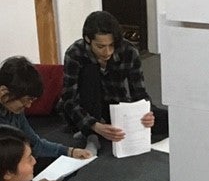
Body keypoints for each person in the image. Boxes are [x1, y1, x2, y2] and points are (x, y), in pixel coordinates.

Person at [59, 10, 167, 154]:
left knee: (166, 120)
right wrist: (94, 125)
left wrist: (146, 112)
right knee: (90, 71)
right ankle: (90, 135)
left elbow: (139, 92)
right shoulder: (75, 53)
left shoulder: (129, 51)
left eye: (111, 45)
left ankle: (98, 129)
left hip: (116, 104)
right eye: (100, 46)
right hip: (85, 105)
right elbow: (69, 99)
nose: (107, 52)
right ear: (87, 39)